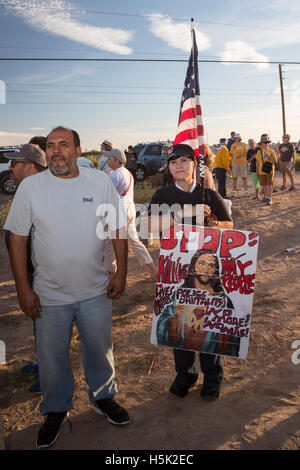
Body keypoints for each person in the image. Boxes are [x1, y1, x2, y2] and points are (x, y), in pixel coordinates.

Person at [4, 127, 130, 449]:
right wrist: (23, 289)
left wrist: (121, 273)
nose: (57, 151)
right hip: (49, 295)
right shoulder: (31, 187)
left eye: (64, 145)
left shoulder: (99, 182)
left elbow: (117, 226)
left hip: (95, 291)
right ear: (45, 153)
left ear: (77, 150)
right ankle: (56, 409)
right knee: (51, 357)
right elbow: (16, 237)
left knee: (99, 350)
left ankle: (103, 398)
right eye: (51, 146)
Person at [148, 143, 233, 401]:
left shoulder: (209, 195)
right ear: (169, 167)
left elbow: (229, 226)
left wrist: (212, 222)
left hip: (207, 273)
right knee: (180, 326)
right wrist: (185, 213)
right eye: (174, 162)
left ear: (195, 165)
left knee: (208, 324)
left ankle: (212, 377)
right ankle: (186, 375)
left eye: (184, 161)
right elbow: (149, 224)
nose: (179, 166)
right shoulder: (162, 194)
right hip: (176, 271)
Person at [4, 143, 47, 394]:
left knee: (49, 324)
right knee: (38, 322)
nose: (10, 169)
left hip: (43, 274)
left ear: (30, 167)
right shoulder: (27, 189)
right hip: (32, 272)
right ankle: (42, 362)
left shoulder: (43, 191)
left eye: (15, 163)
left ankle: (50, 375)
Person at [156, 249, 240, 357]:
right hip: (184, 347)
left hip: (210, 350)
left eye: (211, 265)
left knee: (212, 367)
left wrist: (224, 334)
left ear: (215, 270)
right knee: (184, 365)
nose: (205, 270)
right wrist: (175, 319)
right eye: (202, 263)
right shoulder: (180, 296)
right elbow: (162, 325)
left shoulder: (223, 300)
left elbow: (233, 334)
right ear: (194, 266)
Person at [106, 148, 157, 278]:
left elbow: (105, 193)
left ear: (117, 160)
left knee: (114, 244)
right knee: (135, 242)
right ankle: (153, 271)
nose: (108, 160)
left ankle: (114, 276)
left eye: (110, 158)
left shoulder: (115, 174)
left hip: (120, 210)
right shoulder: (127, 173)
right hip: (130, 208)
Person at [256, 134, 277, 205]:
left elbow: (275, 161)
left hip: (270, 171)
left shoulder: (271, 151)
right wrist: (257, 170)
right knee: (264, 185)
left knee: (269, 185)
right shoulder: (259, 152)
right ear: (261, 143)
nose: (264, 144)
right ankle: (265, 197)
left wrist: (269, 156)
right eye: (263, 142)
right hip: (262, 171)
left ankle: (269, 198)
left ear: (268, 143)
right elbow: (257, 162)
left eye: (266, 142)